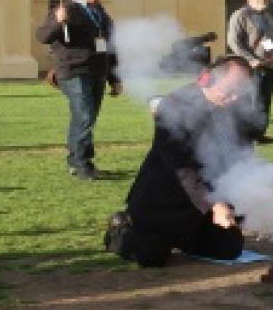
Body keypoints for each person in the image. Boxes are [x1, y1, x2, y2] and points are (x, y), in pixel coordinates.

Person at [104, 57, 260, 267]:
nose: (234, 99)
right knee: (151, 256)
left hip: (202, 203)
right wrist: (216, 204)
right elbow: (182, 168)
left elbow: (241, 148)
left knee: (229, 248)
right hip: (163, 200)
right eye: (230, 91)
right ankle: (120, 229)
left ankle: (185, 238)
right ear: (208, 79)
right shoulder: (173, 105)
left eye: (240, 92)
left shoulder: (232, 106)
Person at [35, 0, 122, 181]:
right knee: (84, 116)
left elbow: (110, 49)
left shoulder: (103, 15)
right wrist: (58, 21)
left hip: (98, 72)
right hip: (74, 71)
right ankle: (81, 164)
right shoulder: (66, 9)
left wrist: (115, 78)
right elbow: (42, 36)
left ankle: (80, 161)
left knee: (87, 118)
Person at [226, 0, 273, 144]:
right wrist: (251, 60)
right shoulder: (240, 15)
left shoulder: (268, 17)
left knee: (264, 103)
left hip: (268, 67)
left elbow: (272, 43)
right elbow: (233, 42)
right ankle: (245, 136)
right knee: (250, 103)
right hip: (249, 69)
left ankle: (259, 134)